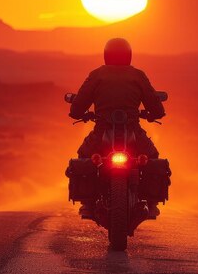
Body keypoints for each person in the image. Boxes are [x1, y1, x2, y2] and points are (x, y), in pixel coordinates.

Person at [69, 37, 165, 218]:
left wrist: (80, 113)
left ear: (106, 55)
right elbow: (157, 109)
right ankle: (152, 204)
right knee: (152, 157)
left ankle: (87, 204)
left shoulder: (96, 75)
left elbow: (76, 108)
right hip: (133, 131)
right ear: (129, 55)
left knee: (83, 156)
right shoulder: (138, 75)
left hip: (102, 131)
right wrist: (153, 114)